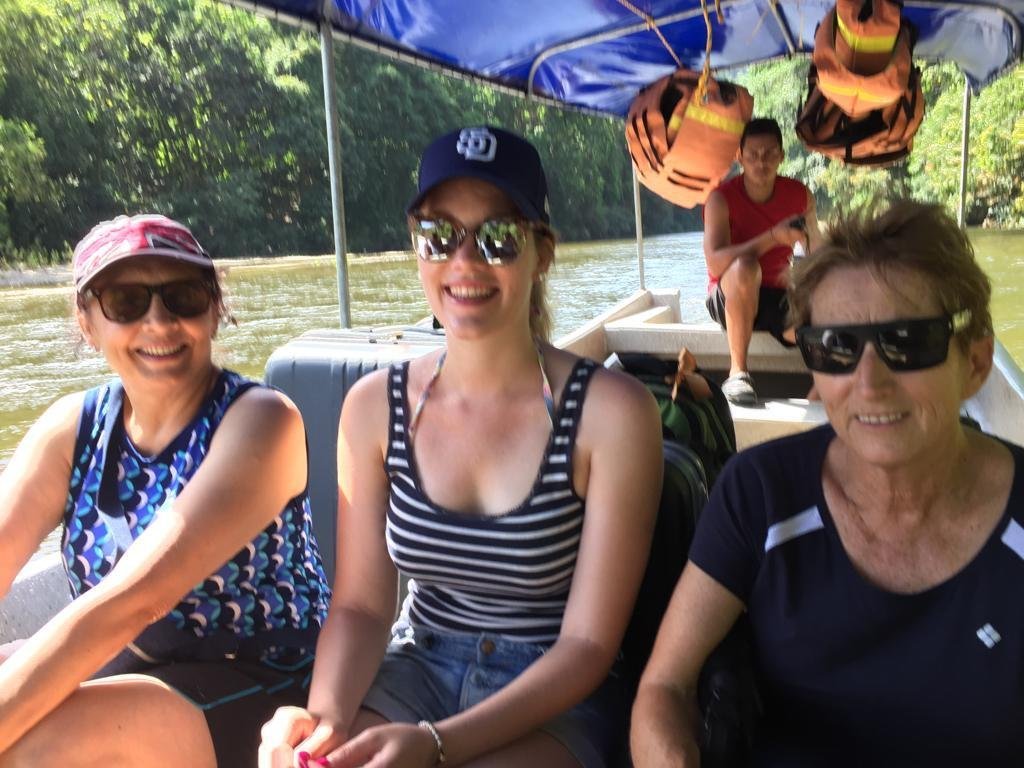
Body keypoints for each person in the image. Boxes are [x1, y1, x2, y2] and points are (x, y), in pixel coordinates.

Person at [259, 125, 663, 768]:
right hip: (417, 663)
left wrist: (437, 745)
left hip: (552, 687)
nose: (465, 261)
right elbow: (361, 608)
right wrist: (323, 723)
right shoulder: (373, 408)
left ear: (542, 252)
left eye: (498, 237)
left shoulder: (611, 414)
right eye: (439, 235)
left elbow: (588, 645)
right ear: (417, 248)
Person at [631, 199, 1024, 766]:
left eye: (907, 342)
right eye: (837, 347)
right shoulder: (759, 493)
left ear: (977, 364)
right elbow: (665, 686)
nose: (869, 383)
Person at [0, 214, 331, 767]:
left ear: (214, 309)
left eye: (183, 297)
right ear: (87, 322)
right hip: (137, 668)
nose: (159, 322)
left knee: (35, 742)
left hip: (265, 686)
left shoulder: (261, 421)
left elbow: (135, 600)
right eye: (126, 302)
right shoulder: (73, 430)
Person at [702, 117, 822, 405]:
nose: (761, 162)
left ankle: (822, 388)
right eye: (753, 154)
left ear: (781, 156)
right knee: (746, 267)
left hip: (778, 296)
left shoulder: (800, 195)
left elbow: (818, 254)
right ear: (740, 157)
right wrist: (773, 237)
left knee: (827, 308)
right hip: (730, 295)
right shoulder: (720, 199)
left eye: (769, 154)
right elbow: (716, 265)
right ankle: (738, 373)